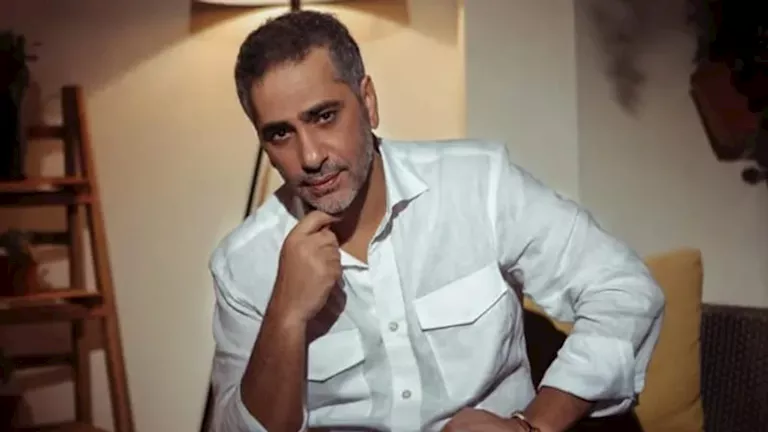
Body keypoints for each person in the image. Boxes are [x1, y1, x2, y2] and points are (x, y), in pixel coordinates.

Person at [208, 9, 665, 432]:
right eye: (281, 134)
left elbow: (624, 290)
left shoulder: (478, 184)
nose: (309, 156)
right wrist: (285, 316)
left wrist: (533, 425)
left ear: (368, 102)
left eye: (324, 116)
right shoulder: (243, 264)